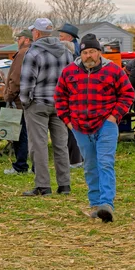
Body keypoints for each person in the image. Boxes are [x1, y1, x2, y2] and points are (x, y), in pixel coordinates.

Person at [55, 34, 134, 222]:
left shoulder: (113, 71)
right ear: (80, 54)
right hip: (80, 127)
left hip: (105, 124)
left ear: (99, 52)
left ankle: (107, 204)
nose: (88, 56)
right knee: (90, 165)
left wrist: (114, 117)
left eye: (92, 51)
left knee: (105, 162)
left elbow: (127, 93)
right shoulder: (69, 72)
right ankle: (96, 204)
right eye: (84, 52)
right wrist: (68, 121)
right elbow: (59, 98)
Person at [20, 18, 74, 196]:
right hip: (59, 104)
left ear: (36, 33)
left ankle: (43, 185)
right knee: (61, 145)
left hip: (38, 103)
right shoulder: (66, 52)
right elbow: (70, 80)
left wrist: (25, 102)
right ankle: (64, 184)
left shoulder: (33, 53)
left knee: (39, 145)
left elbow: (27, 83)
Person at [3, 29, 32, 175]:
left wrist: (8, 95)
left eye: (19, 38)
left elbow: (15, 78)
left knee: (20, 134)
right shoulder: (33, 52)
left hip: (18, 100)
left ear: (26, 39)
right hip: (29, 99)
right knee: (31, 133)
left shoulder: (22, 54)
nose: (17, 41)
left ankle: (21, 165)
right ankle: (33, 165)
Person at [57, 25, 84, 169]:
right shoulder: (77, 51)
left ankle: (75, 159)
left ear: (69, 37)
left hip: (71, 96)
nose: (59, 39)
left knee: (71, 127)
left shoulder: (71, 52)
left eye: (61, 36)